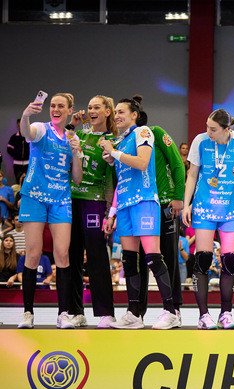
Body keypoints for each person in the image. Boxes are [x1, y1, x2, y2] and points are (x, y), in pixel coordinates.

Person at [100, 97, 179, 330]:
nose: (116, 115)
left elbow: (143, 163)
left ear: (134, 114)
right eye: (115, 112)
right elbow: (121, 182)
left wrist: (114, 153)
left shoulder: (143, 132)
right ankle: (134, 314)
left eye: (121, 111)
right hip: (125, 205)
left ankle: (170, 311)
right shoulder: (121, 141)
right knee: (128, 260)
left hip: (144, 201)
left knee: (153, 257)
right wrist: (112, 213)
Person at [182, 109, 234, 329]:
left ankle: (226, 314)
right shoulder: (200, 141)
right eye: (207, 127)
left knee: (230, 261)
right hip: (204, 208)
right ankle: (203, 316)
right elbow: (192, 175)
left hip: (231, 210)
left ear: (227, 129)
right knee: (203, 259)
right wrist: (186, 205)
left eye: (213, 129)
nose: (208, 132)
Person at [17, 92, 83, 329]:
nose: (55, 109)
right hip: (34, 197)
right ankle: (28, 313)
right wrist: (26, 115)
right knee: (33, 254)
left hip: (61, 199)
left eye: (60, 106)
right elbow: (27, 133)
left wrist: (76, 153)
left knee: (62, 255)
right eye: (53, 105)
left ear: (69, 110)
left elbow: (77, 178)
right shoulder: (41, 128)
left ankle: (63, 314)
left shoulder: (73, 138)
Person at [66, 95, 117, 329]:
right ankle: (76, 311)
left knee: (97, 256)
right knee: (72, 256)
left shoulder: (113, 140)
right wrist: (73, 125)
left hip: (94, 202)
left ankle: (106, 313)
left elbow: (112, 179)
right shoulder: (81, 134)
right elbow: (62, 140)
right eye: (89, 107)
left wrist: (109, 212)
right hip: (70, 200)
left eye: (97, 107)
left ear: (108, 111)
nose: (92, 111)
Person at [135, 117, 186, 322]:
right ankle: (137, 312)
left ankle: (174, 309)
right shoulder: (126, 140)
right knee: (139, 258)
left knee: (169, 255)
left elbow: (177, 164)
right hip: (140, 205)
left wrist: (178, 196)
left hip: (165, 204)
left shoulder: (156, 132)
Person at [7, 119, 30, 183]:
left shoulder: (29, 136)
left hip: (28, 163)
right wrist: (16, 155)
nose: (21, 127)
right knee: (18, 181)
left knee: (28, 181)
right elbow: (9, 149)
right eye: (19, 125)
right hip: (17, 164)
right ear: (17, 126)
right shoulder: (14, 137)